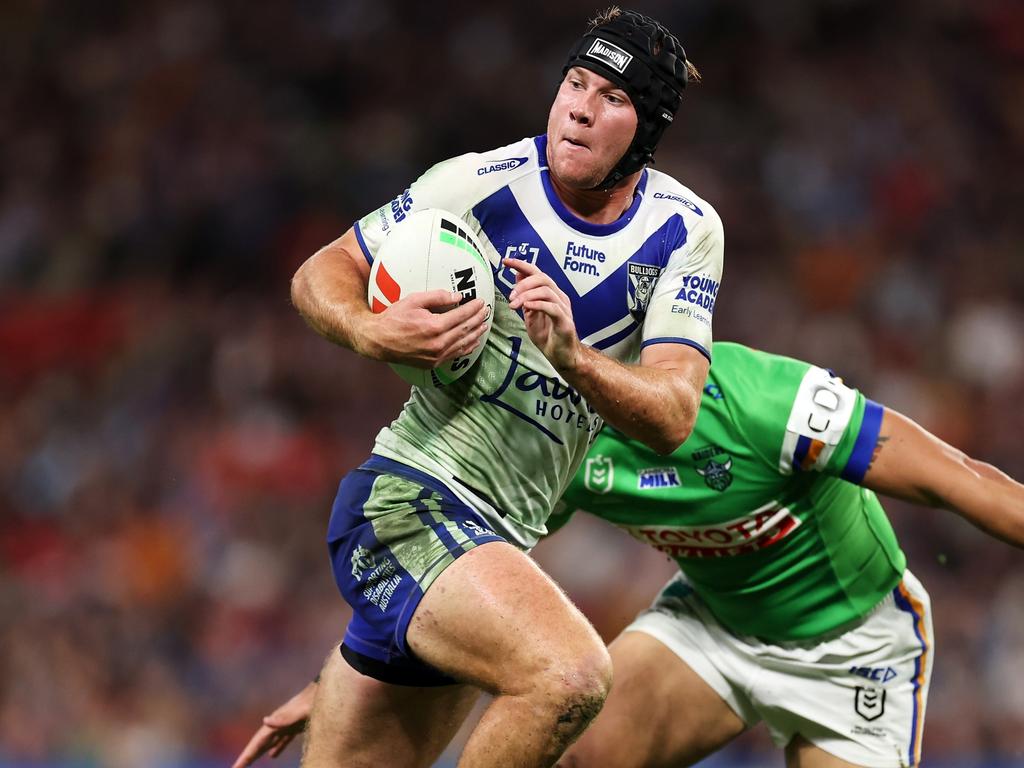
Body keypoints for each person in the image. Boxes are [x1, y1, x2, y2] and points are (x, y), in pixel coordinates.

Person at [233, 342, 1024, 768]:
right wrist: (348, 672)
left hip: (854, 652)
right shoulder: (565, 442)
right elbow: (467, 577)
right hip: (709, 629)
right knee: (564, 747)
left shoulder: (770, 402)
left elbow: (962, 482)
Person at [285, 7, 723, 767]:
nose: (580, 108)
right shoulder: (477, 183)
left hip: (493, 545)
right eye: (575, 83)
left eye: (612, 98)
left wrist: (575, 357)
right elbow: (320, 272)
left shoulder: (685, 231)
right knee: (570, 676)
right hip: (409, 499)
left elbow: (675, 417)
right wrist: (367, 329)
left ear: (647, 128)